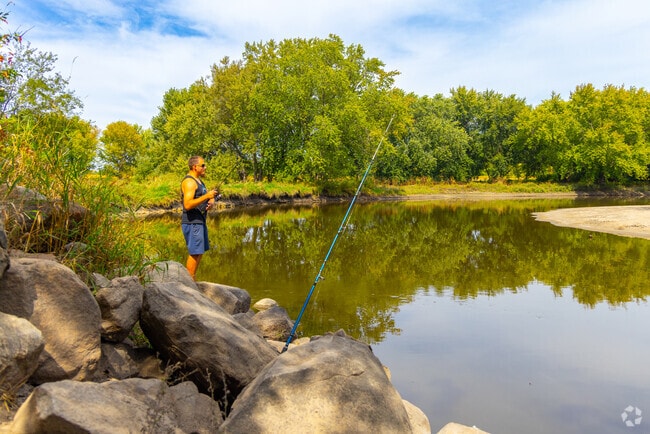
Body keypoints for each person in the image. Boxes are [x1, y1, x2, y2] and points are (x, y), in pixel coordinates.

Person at [181, 156, 219, 280]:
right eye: (202, 165)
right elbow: (187, 204)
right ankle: (189, 282)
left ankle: (192, 279)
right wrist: (207, 195)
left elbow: (204, 196)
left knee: (199, 251)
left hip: (200, 221)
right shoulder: (189, 182)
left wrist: (211, 199)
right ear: (194, 167)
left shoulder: (199, 181)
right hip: (192, 222)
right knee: (195, 252)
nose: (205, 167)